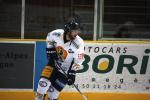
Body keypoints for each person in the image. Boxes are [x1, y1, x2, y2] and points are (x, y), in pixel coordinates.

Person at [35, 17, 85, 100]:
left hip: (65, 70)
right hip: (52, 64)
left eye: (77, 31)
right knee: (42, 85)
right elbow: (49, 38)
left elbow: (78, 60)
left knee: (52, 95)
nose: (77, 33)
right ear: (68, 30)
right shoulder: (56, 34)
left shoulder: (79, 43)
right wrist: (50, 50)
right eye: (74, 31)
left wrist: (72, 73)